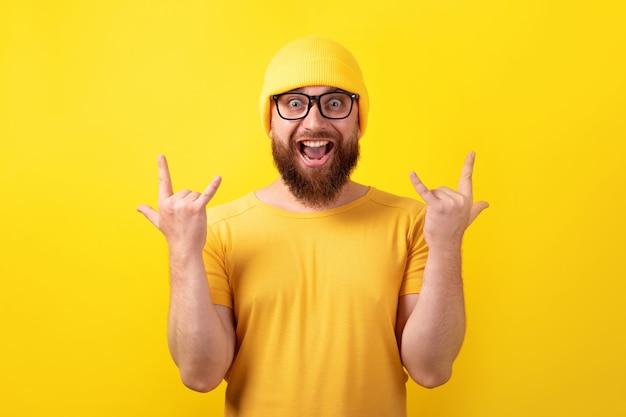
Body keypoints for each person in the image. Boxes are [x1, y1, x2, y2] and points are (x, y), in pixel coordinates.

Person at [138, 36, 488, 417]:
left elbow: (431, 369)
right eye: (294, 103)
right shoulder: (216, 230)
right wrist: (182, 250)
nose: (315, 122)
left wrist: (447, 244)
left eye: (334, 103)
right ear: (271, 121)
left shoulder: (413, 223)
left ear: (359, 119)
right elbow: (200, 374)